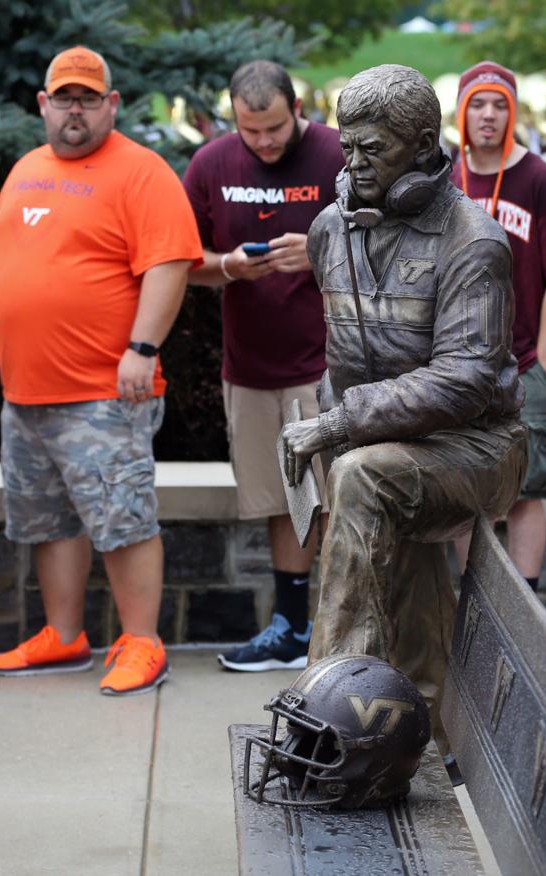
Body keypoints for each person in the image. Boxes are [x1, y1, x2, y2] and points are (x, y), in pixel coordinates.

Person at [279, 64, 527, 744]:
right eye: (346, 147)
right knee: (381, 505)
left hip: (475, 445)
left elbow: (464, 380)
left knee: (367, 477)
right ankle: (417, 729)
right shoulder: (331, 229)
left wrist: (339, 426)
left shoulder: (473, 241)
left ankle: (324, 711)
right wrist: (332, 427)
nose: (353, 164)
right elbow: (342, 358)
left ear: (422, 146)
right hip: (386, 444)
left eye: (373, 149)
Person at [0, 46, 203, 695]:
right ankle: (64, 636)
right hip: (27, 391)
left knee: (122, 519)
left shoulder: (142, 172)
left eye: (88, 98)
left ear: (111, 104)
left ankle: (142, 642)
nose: (75, 108)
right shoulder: (26, 170)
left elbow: (170, 263)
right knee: (48, 520)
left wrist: (143, 349)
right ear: (43, 104)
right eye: (64, 97)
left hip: (105, 391)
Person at [183, 61, 342, 672]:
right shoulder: (211, 164)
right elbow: (178, 258)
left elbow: (389, 242)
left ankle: (339, 633)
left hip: (327, 363)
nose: (266, 142)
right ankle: (291, 630)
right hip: (248, 366)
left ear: (295, 106)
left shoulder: (336, 153)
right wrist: (226, 266)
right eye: (251, 132)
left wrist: (319, 250)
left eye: (275, 127)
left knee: (332, 499)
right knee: (281, 500)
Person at [451, 61, 546, 590]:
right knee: (460, 487)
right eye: (478, 104)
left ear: (513, 113)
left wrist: (545, 364)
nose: (488, 115)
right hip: (452, 363)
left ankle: (526, 604)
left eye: (499, 105)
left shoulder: (540, 181)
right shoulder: (443, 176)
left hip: (522, 361)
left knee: (527, 489)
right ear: (461, 112)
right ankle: (471, 607)